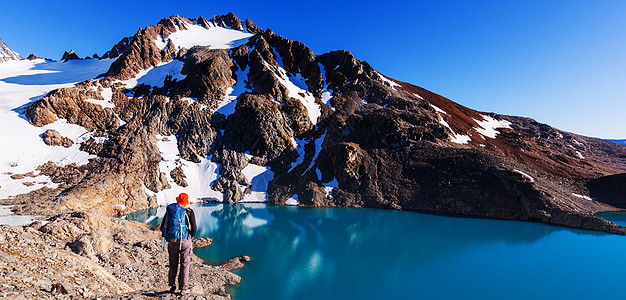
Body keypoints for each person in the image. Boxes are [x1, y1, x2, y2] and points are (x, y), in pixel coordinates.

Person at [161, 192, 197, 294]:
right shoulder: (189, 211)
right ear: (186, 202)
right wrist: (192, 236)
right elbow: (194, 227)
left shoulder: (170, 211)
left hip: (172, 241)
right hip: (185, 241)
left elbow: (163, 225)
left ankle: (172, 286)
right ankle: (183, 288)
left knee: (173, 264)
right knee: (184, 264)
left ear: (177, 200)